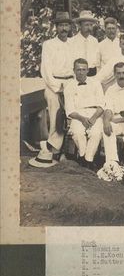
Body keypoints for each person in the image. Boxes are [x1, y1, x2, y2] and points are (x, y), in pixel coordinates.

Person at [29, 12, 74, 168]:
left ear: (69, 27)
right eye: (61, 25)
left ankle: (67, 151)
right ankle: (53, 149)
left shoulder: (72, 44)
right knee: (56, 117)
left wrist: (70, 86)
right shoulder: (49, 44)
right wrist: (57, 87)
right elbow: (46, 70)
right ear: (56, 27)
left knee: (71, 116)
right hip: (53, 85)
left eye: (66, 25)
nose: (63, 28)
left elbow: (76, 67)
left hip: (70, 83)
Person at [64, 58, 105, 170]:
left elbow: (102, 105)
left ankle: (87, 160)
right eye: (78, 69)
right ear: (74, 70)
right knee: (77, 133)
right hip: (78, 114)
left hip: (94, 113)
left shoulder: (96, 83)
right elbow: (70, 110)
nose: (81, 72)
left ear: (87, 70)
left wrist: (93, 118)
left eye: (83, 69)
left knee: (96, 133)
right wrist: (82, 119)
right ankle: (83, 155)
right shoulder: (69, 87)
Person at [71, 10, 100, 76]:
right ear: (80, 26)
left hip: (92, 74)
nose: (89, 28)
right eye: (86, 25)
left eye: (91, 25)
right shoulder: (72, 41)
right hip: (78, 74)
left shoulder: (94, 41)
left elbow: (97, 61)